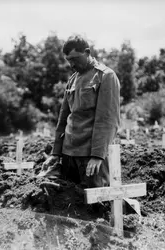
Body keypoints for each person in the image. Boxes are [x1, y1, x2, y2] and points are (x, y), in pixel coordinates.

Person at [41, 35, 120, 189]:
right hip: (68, 154)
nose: (72, 64)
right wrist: (56, 153)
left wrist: (97, 156)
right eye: (68, 60)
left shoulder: (105, 76)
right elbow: (63, 118)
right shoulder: (72, 80)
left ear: (87, 52)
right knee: (69, 203)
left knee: (94, 204)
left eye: (75, 59)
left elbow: (107, 119)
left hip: (90, 155)